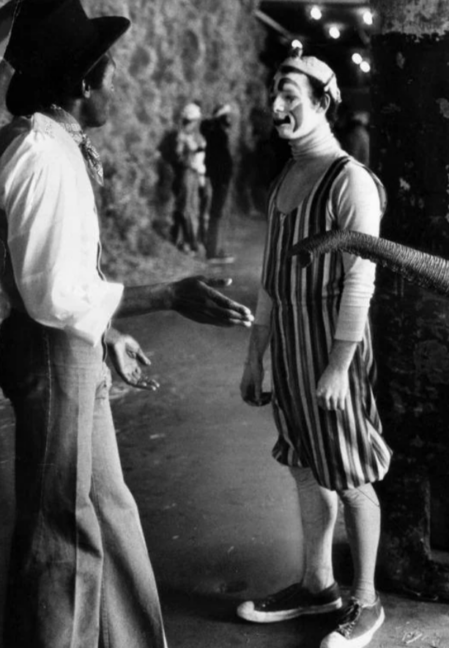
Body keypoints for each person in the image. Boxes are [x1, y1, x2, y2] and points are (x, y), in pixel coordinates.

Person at [0, 1, 254, 646]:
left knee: (106, 505)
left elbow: (51, 268)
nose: (120, 83)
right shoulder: (40, 154)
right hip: (53, 350)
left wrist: (107, 329)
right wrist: (165, 293)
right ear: (82, 84)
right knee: (62, 525)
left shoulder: (55, 144)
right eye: (111, 73)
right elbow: (51, 291)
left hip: (73, 341)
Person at [238, 53, 389, 648]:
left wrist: (337, 366)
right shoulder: (286, 180)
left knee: (351, 477)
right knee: (305, 465)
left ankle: (368, 603)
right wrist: (257, 357)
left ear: (324, 102)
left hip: (333, 350)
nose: (278, 106)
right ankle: (316, 584)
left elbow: (361, 279)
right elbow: (273, 280)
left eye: (291, 95)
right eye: (274, 92)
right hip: (294, 350)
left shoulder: (347, 180)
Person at [200, 103, 236, 264]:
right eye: (226, 115)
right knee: (217, 214)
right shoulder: (216, 133)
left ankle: (217, 249)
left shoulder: (217, 132)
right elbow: (218, 159)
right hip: (219, 179)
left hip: (221, 179)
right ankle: (213, 252)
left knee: (220, 215)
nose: (229, 119)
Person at [170, 101, 206, 255]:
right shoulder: (183, 135)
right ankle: (190, 242)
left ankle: (187, 241)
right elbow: (178, 155)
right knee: (186, 207)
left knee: (191, 207)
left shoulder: (193, 135)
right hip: (187, 172)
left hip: (193, 173)